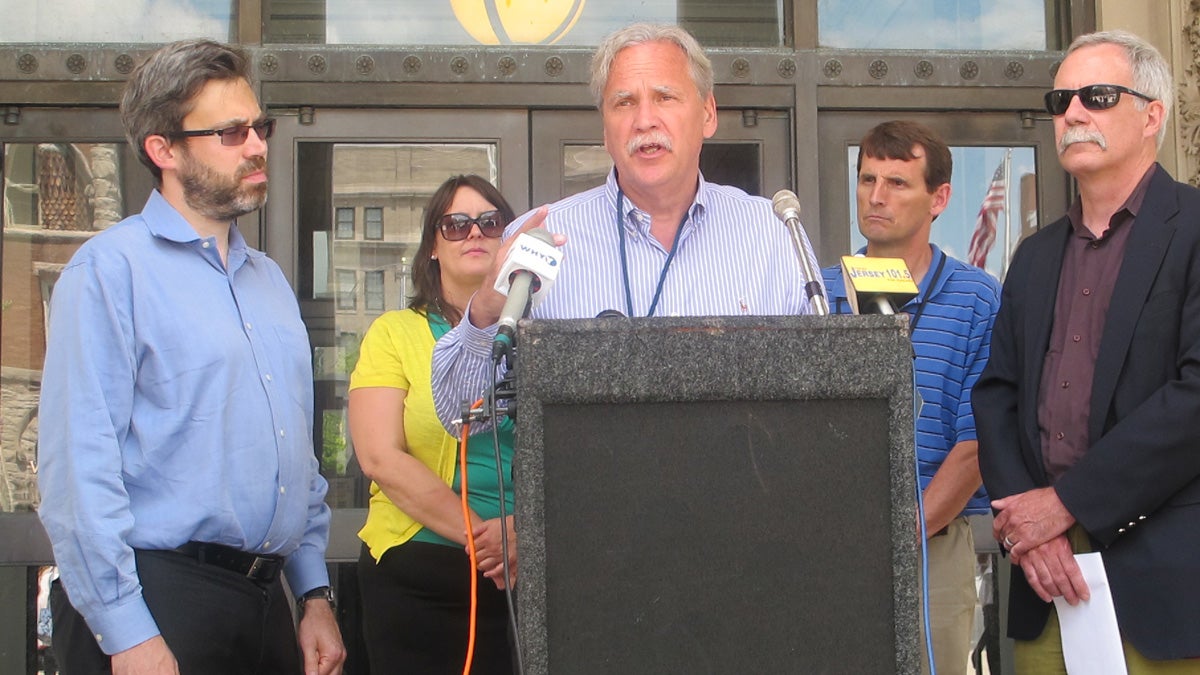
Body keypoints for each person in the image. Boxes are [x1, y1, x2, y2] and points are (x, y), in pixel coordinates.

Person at [37, 39, 345, 675]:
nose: (258, 145)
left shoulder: (269, 282)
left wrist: (313, 594)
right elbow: (76, 475)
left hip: (263, 605)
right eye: (232, 132)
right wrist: (126, 633)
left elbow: (296, 462)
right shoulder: (108, 273)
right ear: (163, 149)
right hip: (159, 603)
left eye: (260, 126)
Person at [432, 22, 822, 428]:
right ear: (605, 129)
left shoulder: (772, 231)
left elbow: (825, 393)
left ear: (707, 114)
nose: (645, 120)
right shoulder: (540, 240)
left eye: (665, 97)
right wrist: (487, 312)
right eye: (624, 103)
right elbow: (460, 415)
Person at [974, 29, 1200, 672]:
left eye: (1097, 96)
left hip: (1167, 586)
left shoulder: (1194, 231)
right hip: (1048, 580)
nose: (1072, 113)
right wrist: (1029, 528)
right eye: (1062, 99)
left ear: (1152, 114)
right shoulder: (1035, 254)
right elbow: (997, 396)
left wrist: (1067, 504)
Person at [821, 120, 1001, 675]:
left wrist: (902, 531)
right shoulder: (818, 291)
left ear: (939, 197)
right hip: (829, 541)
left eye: (898, 183)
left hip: (934, 541)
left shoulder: (978, 298)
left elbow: (977, 444)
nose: (876, 196)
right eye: (867, 179)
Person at [350, 175, 517, 674]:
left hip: (530, 568)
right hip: (421, 570)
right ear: (432, 250)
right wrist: (487, 539)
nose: (475, 234)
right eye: (456, 224)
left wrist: (529, 534)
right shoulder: (393, 333)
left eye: (490, 223)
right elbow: (379, 456)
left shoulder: (541, 332)